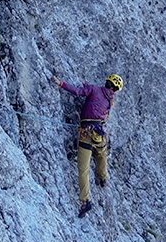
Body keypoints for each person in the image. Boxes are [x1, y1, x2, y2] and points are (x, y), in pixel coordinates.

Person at [52, 73, 123, 217]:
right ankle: (102, 178)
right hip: (101, 133)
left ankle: (86, 201)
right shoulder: (111, 99)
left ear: (107, 81)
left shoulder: (94, 89)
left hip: (86, 134)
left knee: (83, 169)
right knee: (101, 154)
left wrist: (60, 83)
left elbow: (77, 92)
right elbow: (99, 102)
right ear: (115, 90)